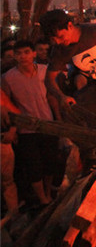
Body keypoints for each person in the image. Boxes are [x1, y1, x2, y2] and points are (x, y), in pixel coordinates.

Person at [1, 40, 60, 206]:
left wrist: (58, 121)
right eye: (18, 54)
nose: (22, 57)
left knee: (50, 163)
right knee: (34, 166)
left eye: (26, 52)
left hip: (47, 123)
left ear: (33, 53)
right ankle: (43, 199)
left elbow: (52, 97)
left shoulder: (44, 72)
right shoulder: (8, 78)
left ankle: (48, 193)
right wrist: (13, 128)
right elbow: (8, 105)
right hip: (26, 129)